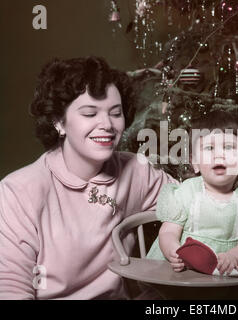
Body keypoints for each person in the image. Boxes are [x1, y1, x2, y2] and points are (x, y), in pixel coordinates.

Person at [0, 56, 176, 299]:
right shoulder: (18, 191)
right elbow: (11, 288)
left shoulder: (136, 171)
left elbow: (195, 201)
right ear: (58, 122)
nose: (106, 124)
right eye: (89, 113)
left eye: (115, 113)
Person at [146, 111, 238, 276]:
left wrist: (233, 256)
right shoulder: (188, 190)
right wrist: (174, 251)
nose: (219, 154)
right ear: (195, 163)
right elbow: (168, 232)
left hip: (222, 268)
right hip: (185, 269)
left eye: (229, 147)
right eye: (209, 148)